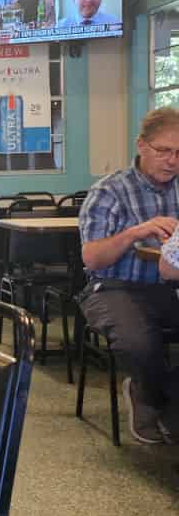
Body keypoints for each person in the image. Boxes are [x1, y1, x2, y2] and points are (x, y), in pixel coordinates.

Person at [78, 107, 179, 444]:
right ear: (141, 145)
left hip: (169, 287)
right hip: (113, 287)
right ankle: (151, 396)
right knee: (138, 342)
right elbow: (92, 258)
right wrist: (135, 232)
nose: (172, 161)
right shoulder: (109, 191)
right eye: (163, 150)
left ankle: (163, 403)